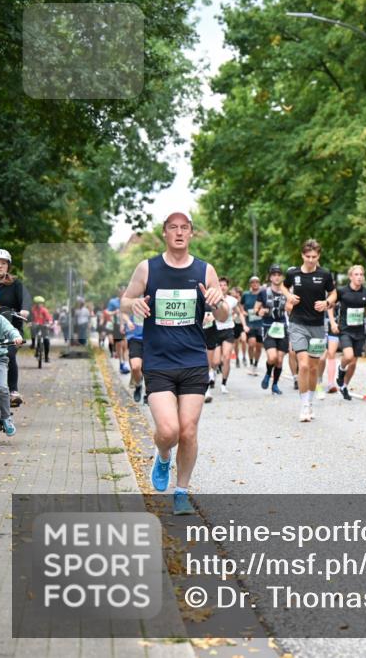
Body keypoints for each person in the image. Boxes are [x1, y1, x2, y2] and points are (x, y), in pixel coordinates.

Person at [121, 211, 229, 516]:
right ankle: (163, 455)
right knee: (168, 431)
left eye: (185, 228)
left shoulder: (205, 270)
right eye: (173, 228)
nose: (179, 232)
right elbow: (125, 302)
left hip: (194, 360)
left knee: (188, 431)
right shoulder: (148, 268)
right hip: (159, 361)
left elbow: (222, 316)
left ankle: (181, 492)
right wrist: (135, 303)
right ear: (165, 233)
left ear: (191, 234)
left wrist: (217, 303)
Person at [282, 241, 336, 423]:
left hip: (317, 325)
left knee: (313, 368)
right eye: (308, 257)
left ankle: (310, 402)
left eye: (314, 257)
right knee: (303, 365)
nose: (311, 260)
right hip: (298, 323)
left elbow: (334, 293)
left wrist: (327, 303)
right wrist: (289, 295)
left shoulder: (324, 274)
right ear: (302, 256)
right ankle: (304, 405)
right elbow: (283, 286)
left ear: (318, 256)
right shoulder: (293, 274)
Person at [0, 249, 31, 407]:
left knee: (9, 354)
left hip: (11, 329)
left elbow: (26, 299)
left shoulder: (16, 284)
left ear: (8, 266)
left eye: (3, 263)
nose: (0, 266)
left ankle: (13, 391)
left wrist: (24, 309)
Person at [333, 265, 366, 401]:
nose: (359, 277)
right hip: (345, 330)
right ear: (350, 276)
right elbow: (330, 305)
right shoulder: (342, 291)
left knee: (354, 362)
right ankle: (341, 368)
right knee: (348, 356)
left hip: (359, 331)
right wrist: (333, 323)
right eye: (356, 274)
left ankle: (344, 386)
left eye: (361, 274)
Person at [0, 287, 25, 436]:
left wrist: (16, 337)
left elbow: (11, 330)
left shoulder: (0, 320)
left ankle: (6, 418)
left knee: (3, 389)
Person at [256, 265, 289, 396]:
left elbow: (292, 307)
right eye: (274, 274)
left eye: (279, 274)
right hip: (268, 328)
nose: (276, 277)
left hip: (282, 328)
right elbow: (256, 309)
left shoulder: (287, 292)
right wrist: (260, 311)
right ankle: (268, 373)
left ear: (282, 277)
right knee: (273, 357)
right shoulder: (263, 292)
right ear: (270, 277)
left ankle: (275, 384)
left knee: (280, 360)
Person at [240, 276, 264, 376]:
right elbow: (240, 306)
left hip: (261, 324)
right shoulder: (246, 295)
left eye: (257, 282)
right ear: (250, 284)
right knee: (251, 344)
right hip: (250, 324)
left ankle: (255, 364)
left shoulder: (263, 294)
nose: (255, 284)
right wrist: (243, 312)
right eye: (253, 282)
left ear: (259, 283)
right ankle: (250, 363)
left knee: (258, 347)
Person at [123, 309, 145, 403]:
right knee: (136, 367)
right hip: (135, 337)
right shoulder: (132, 296)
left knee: (149, 369)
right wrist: (127, 321)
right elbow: (123, 311)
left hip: (152, 337)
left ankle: (149, 393)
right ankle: (138, 385)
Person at [107, 287, 130, 374]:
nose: (123, 293)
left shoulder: (128, 300)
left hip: (127, 325)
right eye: (121, 292)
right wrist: (115, 312)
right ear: (118, 293)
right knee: (120, 345)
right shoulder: (113, 302)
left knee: (126, 345)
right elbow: (108, 312)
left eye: (124, 292)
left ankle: (125, 364)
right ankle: (121, 363)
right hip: (116, 325)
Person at [30, 296, 54, 365]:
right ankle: (33, 343)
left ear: (42, 304)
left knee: (46, 340)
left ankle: (46, 357)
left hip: (43, 326)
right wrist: (30, 322)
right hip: (36, 326)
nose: (39, 305)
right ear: (35, 304)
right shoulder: (33, 310)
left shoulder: (44, 310)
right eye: (37, 303)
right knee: (33, 330)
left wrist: (49, 323)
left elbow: (49, 318)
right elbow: (30, 318)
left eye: (40, 303)